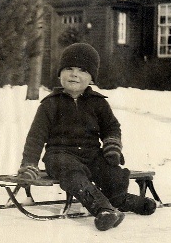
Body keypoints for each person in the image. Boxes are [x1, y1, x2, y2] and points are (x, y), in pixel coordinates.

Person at [17, 43, 156, 231]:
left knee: (112, 173)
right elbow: (35, 137)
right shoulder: (49, 105)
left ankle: (122, 200)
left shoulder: (98, 103)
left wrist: (112, 145)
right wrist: (29, 164)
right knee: (73, 175)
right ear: (60, 74)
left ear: (91, 78)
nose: (74, 74)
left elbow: (111, 127)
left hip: (91, 154)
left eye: (82, 70)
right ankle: (103, 210)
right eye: (69, 69)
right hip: (60, 155)